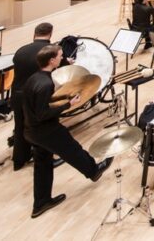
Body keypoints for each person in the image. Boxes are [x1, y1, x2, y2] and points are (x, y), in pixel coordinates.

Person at [23, 44, 111, 218]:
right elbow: (43, 113)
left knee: (43, 165)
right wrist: (68, 104)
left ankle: (41, 202)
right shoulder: (46, 84)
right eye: (60, 56)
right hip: (46, 130)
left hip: (31, 131)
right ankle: (93, 171)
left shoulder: (34, 79)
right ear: (52, 60)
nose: (62, 59)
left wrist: (64, 95)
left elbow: (38, 105)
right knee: (73, 150)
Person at [11, 22, 55, 170]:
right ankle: (43, 157)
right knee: (42, 128)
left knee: (19, 126)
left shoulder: (20, 51)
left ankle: (19, 160)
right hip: (35, 95)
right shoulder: (49, 51)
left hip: (17, 94)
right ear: (50, 34)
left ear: (34, 34)